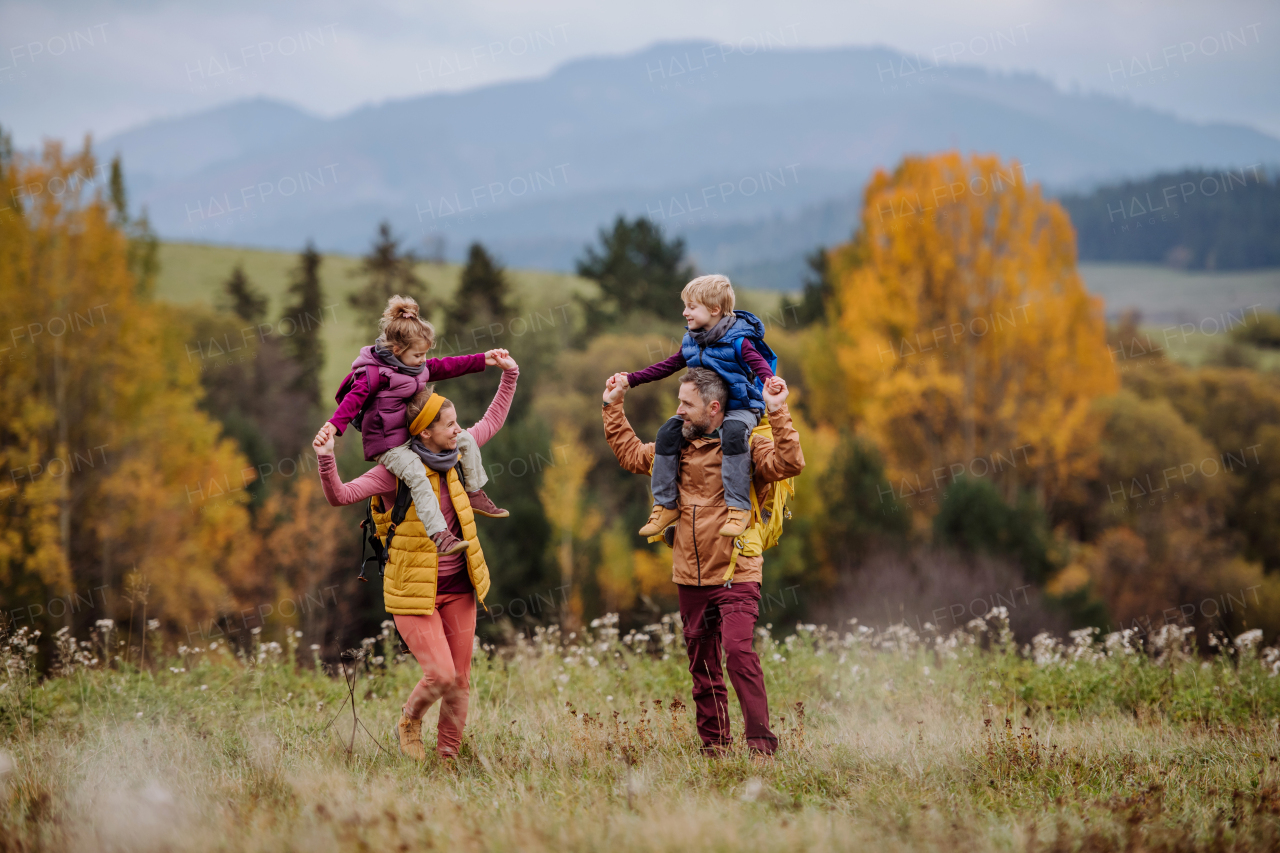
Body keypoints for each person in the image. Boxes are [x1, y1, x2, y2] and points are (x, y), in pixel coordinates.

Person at [313, 350, 519, 762]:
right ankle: (409, 719)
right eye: (449, 423)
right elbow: (341, 496)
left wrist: (509, 375)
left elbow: (491, 422)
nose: (459, 428)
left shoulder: (455, 452)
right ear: (424, 432)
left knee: (459, 680)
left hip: (459, 586)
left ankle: (446, 762)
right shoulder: (393, 471)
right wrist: (326, 459)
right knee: (440, 675)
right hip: (413, 591)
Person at [601, 367, 803, 757]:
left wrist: (777, 411)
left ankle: (761, 746)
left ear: (713, 408)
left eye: (686, 404)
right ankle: (715, 747)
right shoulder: (676, 447)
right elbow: (629, 454)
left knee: (739, 653)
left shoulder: (746, 448)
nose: (678, 411)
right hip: (689, 576)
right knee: (702, 666)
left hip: (737, 572)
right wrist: (613, 405)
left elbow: (790, 464)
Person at [318, 294, 510, 556]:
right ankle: (440, 535)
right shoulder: (374, 374)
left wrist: (481, 360)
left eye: (425, 354)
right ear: (397, 351)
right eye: (418, 354)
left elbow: (446, 366)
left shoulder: (416, 367)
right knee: (416, 474)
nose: (423, 359)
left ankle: (474, 492)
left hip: (411, 436)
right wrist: (333, 426)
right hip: (388, 445)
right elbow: (352, 400)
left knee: (465, 438)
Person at [612, 274, 777, 539]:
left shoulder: (738, 339)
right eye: (685, 305)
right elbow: (667, 366)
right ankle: (666, 504)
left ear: (714, 310)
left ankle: (738, 508)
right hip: (704, 411)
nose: (684, 312)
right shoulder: (691, 340)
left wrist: (771, 383)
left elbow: (760, 365)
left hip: (740, 406)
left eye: (691, 306)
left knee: (734, 433)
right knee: (667, 433)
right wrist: (630, 379)